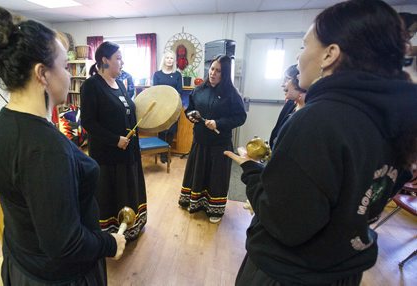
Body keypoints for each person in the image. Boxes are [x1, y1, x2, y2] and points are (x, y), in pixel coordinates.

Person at [225, 0, 417, 285]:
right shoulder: (397, 117)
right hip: (343, 269)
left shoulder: (318, 121)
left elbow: (284, 223)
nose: (300, 56)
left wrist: (252, 170)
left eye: (304, 46)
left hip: (289, 274)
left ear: (330, 54)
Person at [0, 7, 125, 285]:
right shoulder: (44, 149)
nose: (68, 74)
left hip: (24, 261)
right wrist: (110, 244)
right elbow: (66, 244)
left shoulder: (2, 123)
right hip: (57, 277)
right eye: (64, 66)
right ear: (42, 74)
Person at [80, 41, 147, 241]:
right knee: (112, 191)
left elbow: (127, 111)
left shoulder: (118, 83)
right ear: (105, 60)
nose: (122, 62)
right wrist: (114, 140)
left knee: (128, 187)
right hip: (108, 153)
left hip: (128, 150)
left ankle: (131, 224)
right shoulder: (91, 85)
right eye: (118, 58)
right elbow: (88, 122)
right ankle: (112, 231)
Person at [178, 55, 247, 224]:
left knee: (216, 178)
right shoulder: (199, 89)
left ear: (225, 74)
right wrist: (190, 115)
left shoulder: (232, 94)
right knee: (198, 173)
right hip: (200, 142)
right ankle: (195, 203)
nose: (213, 73)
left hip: (220, 144)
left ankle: (214, 208)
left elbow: (240, 117)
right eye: (212, 69)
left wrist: (219, 123)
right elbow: (190, 108)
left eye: (218, 71)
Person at [152, 50, 183, 163]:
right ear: (164, 60)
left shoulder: (177, 75)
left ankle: (167, 152)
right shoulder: (157, 74)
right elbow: (155, 91)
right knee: (162, 131)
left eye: (171, 58)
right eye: (167, 58)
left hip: (174, 107)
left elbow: (180, 91)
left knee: (171, 131)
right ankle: (162, 154)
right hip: (161, 108)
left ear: (174, 61)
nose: (169, 60)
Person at [269, 64, 307, 149]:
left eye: (287, 80)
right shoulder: (290, 104)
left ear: (299, 80)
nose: (282, 85)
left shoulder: (310, 112)